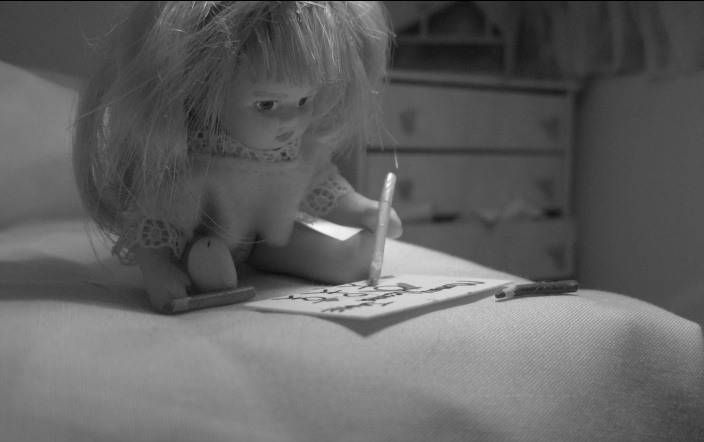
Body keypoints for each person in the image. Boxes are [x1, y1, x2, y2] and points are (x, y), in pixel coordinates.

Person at [73, 1, 402, 313]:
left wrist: (366, 210)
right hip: (203, 240)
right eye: (266, 104)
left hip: (264, 239)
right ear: (206, 92)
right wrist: (158, 269)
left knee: (343, 258)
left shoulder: (292, 152)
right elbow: (159, 219)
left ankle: (345, 257)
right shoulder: (200, 161)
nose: (291, 120)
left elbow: (322, 186)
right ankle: (203, 269)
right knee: (208, 258)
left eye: (304, 101)